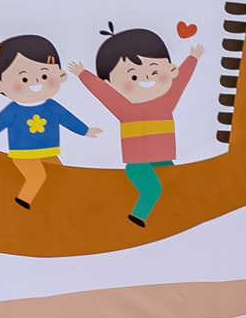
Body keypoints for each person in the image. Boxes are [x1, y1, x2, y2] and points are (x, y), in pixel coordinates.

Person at [0, 34, 103, 208]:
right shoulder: (13, 111)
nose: (35, 82)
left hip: (48, 152)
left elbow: (68, 119)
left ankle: (59, 204)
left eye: (44, 76)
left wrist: (85, 130)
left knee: (61, 175)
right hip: (23, 154)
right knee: (37, 177)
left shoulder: (52, 107)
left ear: (61, 75)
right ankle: (23, 201)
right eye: (24, 78)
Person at [71, 25, 203, 227]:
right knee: (153, 190)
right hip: (137, 164)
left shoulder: (166, 101)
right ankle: (137, 216)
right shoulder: (124, 107)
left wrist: (192, 58)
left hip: (162, 160)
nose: (146, 78)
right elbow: (102, 92)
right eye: (133, 76)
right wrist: (83, 74)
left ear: (170, 69)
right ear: (111, 83)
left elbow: (181, 80)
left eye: (154, 71)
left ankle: (177, 215)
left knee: (176, 182)